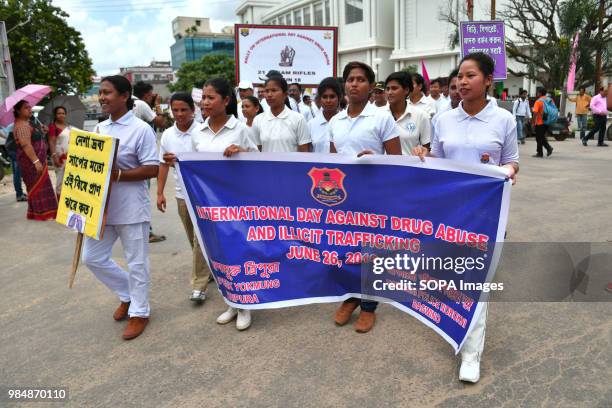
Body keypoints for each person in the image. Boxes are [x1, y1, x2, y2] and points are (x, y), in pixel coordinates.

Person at [413, 52, 519, 383]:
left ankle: (471, 354)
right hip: (449, 216)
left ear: (488, 80)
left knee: (476, 283)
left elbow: (514, 161)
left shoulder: (504, 120)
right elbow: (438, 165)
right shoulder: (443, 119)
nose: (462, 81)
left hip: (486, 216)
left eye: (470, 75)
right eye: (460, 75)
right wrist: (423, 156)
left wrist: (507, 170)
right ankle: (455, 327)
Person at [81, 75, 159, 340]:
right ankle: (128, 294)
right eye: (101, 93)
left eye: (107, 93)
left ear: (124, 96)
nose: (102, 97)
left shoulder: (141, 129)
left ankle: (140, 312)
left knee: (137, 262)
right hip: (102, 208)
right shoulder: (99, 130)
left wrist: (118, 175)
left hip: (131, 208)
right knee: (91, 258)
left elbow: (152, 168)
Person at [329, 61, 401, 333]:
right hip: (342, 199)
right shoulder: (335, 121)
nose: (354, 84)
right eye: (350, 79)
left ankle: (369, 306)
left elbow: (397, 160)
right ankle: (350, 298)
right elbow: (331, 160)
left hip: (374, 197)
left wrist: (377, 159)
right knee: (345, 249)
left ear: (371, 86)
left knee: (370, 253)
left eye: (360, 79)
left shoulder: (382, 117)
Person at [191, 77, 258, 330]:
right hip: (209, 205)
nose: (205, 102)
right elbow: (192, 165)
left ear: (226, 100)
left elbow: (258, 160)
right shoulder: (198, 132)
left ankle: (246, 304)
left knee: (238, 250)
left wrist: (242, 151)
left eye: (211, 98)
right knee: (219, 253)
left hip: (235, 202)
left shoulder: (240, 129)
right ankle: (231, 301)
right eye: (203, 97)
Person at [157, 92, 212, 304]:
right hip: (182, 195)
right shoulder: (168, 135)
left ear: (193, 110)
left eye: (184, 110)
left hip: (203, 195)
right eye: (175, 110)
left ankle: (199, 285)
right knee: (193, 239)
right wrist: (160, 192)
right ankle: (209, 270)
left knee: (201, 240)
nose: (179, 114)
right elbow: (163, 163)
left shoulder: (203, 131)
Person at [12, 101, 58, 220]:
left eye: (30, 107)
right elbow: (26, 145)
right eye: (26, 108)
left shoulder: (28, 123)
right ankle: (41, 213)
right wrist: (36, 161)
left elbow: (34, 139)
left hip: (37, 160)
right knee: (38, 185)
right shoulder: (21, 125)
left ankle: (42, 212)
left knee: (42, 185)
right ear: (18, 111)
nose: (29, 110)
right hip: (31, 162)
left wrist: (42, 131)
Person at [133, 81, 166, 243]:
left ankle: (140, 230)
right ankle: (147, 232)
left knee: (135, 195)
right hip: (141, 158)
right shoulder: (141, 104)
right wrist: (158, 105)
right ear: (147, 94)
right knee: (143, 196)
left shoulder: (131, 103)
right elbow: (161, 122)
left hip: (131, 156)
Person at [250, 76, 312, 152]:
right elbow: (256, 151)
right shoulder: (258, 120)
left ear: (285, 94)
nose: (269, 95)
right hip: (266, 164)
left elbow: (304, 152)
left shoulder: (298, 119)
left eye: (274, 90)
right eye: (267, 91)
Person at [384, 71, 431, 154]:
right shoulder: (378, 114)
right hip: (383, 166)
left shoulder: (421, 116)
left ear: (406, 90)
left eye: (394, 88)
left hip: (411, 166)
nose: (389, 92)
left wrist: (421, 152)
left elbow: (426, 149)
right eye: (387, 89)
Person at [308, 77, 342, 153]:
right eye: (324, 97)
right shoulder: (311, 125)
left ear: (339, 98)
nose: (328, 101)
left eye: (332, 96)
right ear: (320, 99)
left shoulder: (345, 123)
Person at [47, 106, 70, 197]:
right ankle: (59, 204)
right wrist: (54, 156)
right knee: (60, 181)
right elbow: (51, 142)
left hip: (69, 156)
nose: (61, 115)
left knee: (68, 180)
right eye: (59, 113)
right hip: (59, 157)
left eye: (63, 113)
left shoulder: (68, 126)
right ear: (55, 115)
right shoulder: (53, 127)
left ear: (66, 115)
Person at [531, 87, 554, 157]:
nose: (536, 93)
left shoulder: (538, 101)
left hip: (540, 122)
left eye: (537, 92)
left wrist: (533, 122)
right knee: (540, 137)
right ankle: (540, 152)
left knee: (539, 138)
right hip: (548, 121)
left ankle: (547, 148)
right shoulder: (550, 100)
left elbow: (535, 113)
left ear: (540, 93)